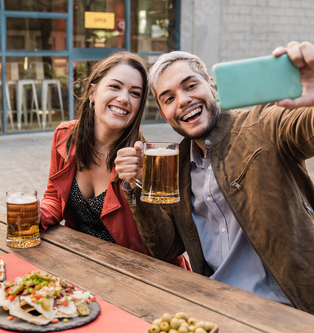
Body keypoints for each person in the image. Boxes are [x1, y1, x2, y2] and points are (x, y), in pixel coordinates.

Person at [115, 41, 314, 314]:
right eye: (169, 98)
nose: (183, 100)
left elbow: (306, 128)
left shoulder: (264, 124)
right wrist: (137, 185)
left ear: (211, 85)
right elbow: (166, 247)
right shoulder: (176, 165)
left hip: (289, 308)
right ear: (163, 114)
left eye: (190, 86)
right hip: (214, 306)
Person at [39, 51, 189, 269]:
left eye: (135, 93)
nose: (123, 98)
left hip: (139, 272)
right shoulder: (65, 136)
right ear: (92, 92)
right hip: (82, 262)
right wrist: (37, 214)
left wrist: (138, 184)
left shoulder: (145, 159)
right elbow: (53, 196)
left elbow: (166, 242)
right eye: (115, 87)